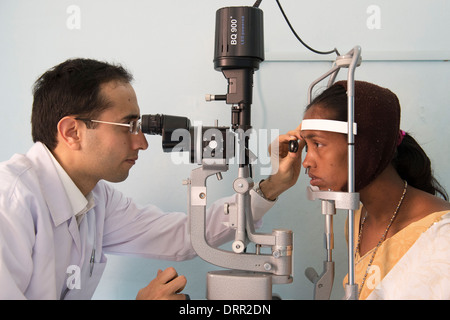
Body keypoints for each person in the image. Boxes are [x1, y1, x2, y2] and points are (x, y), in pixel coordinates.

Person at [0, 58, 302, 300]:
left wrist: (273, 186)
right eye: (127, 126)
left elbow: (186, 236)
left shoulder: (96, 199)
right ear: (72, 132)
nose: (142, 143)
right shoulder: (10, 203)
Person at [299, 80, 450, 299]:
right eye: (306, 146)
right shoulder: (357, 221)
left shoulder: (442, 236)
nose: (307, 162)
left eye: (318, 144)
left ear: (363, 146)